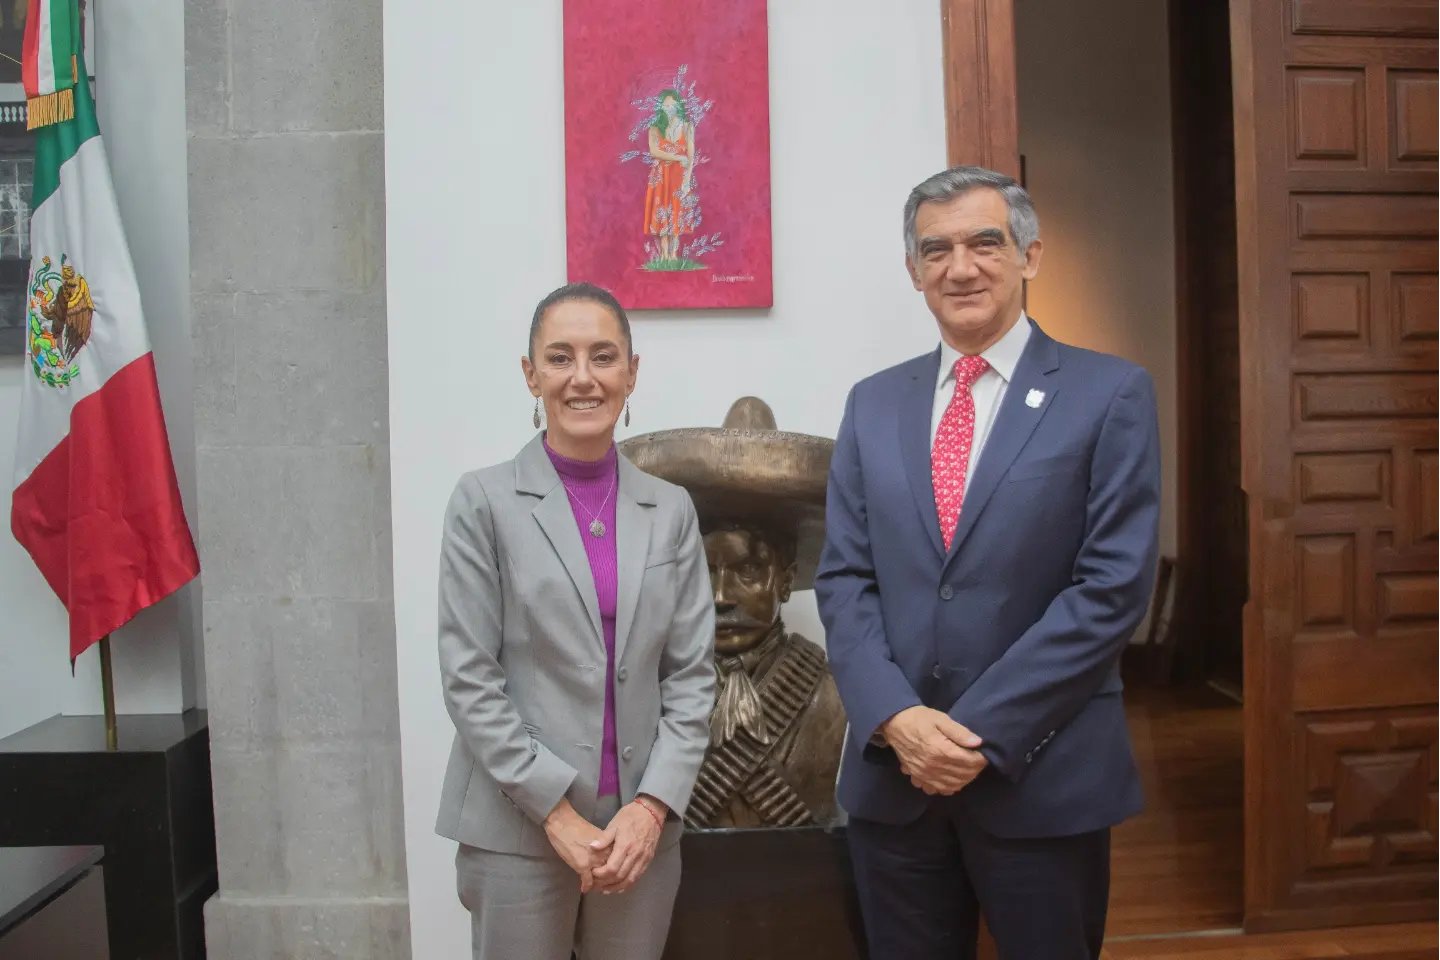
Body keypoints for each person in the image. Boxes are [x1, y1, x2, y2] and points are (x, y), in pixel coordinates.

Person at [815, 166, 1160, 959]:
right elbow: (844, 578)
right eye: (936, 250)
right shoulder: (873, 403)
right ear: (913, 273)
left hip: (1041, 778)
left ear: (1030, 256)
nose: (959, 267)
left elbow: (1110, 589)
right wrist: (899, 720)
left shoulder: (1109, 394)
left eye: (984, 243)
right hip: (892, 780)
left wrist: (971, 734)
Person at [435, 281, 716, 960]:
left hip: (638, 835)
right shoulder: (483, 502)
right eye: (560, 358)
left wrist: (651, 809)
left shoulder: (670, 509)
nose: (583, 378)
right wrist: (556, 815)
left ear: (632, 372)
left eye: (603, 356)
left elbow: (692, 677)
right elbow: (471, 679)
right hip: (518, 831)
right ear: (530, 375)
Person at [620, 397, 846, 828]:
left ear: (785, 578)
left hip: (797, 886)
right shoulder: (650, 679)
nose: (720, 595)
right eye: (705, 570)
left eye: (747, 570)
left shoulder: (832, 690)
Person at [643, 89, 696, 262]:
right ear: (661, 107)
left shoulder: (687, 126)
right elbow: (654, 151)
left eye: (673, 105)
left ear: (679, 106)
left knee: (676, 213)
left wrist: (687, 181)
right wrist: (677, 157)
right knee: (660, 214)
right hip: (660, 178)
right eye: (666, 105)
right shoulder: (655, 128)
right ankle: (663, 255)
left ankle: (673, 255)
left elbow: (691, 156)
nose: (669, 109)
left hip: (678, 178)